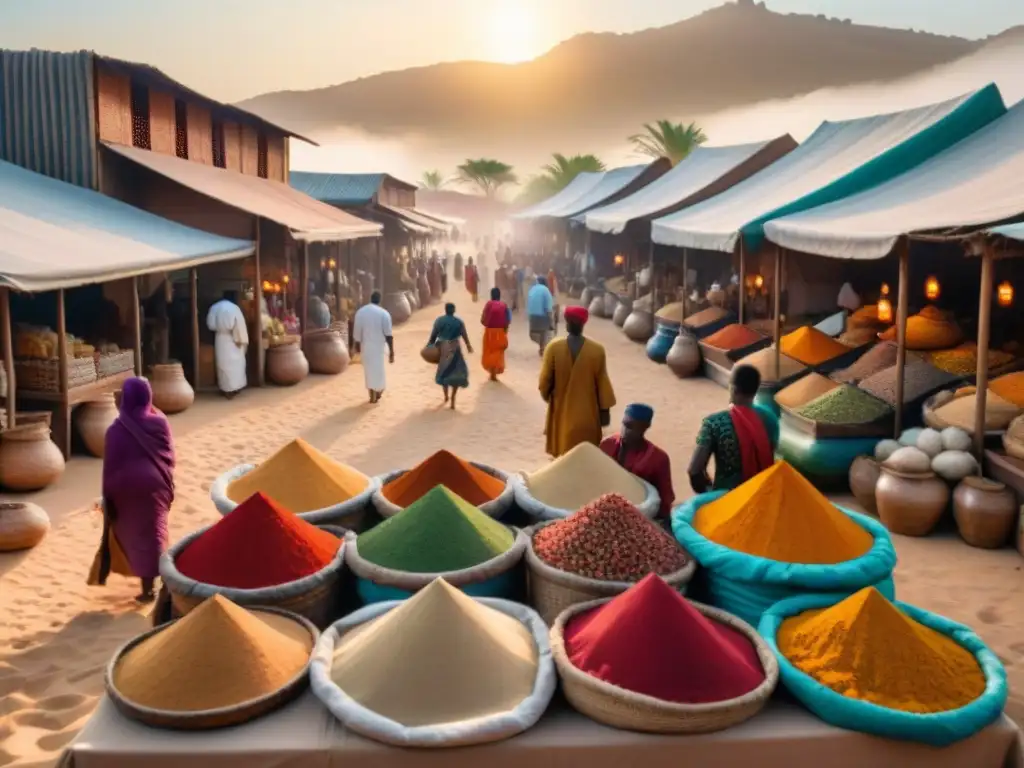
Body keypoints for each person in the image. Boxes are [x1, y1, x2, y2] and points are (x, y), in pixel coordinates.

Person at [88, 377, 175, 603]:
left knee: (135, 534)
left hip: (125, 488)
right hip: (156, 484)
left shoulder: (115, 430)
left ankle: (146, 587)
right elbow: (169, 456)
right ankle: (156, 584)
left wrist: (109, 497)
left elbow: (110, 467)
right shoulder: (160, 423)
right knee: (155, 531)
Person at [688, 363, 779, 493]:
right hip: (762, 494)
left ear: (733, 389)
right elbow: (771, 453)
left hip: (728, 499)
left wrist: (710, 497)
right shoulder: (770, 418)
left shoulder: (713, 423)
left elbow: (694, 471)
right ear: (756, 389)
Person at [539, 306, 616, 457]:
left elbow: (544, 384)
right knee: (585, 459)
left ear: (567, 323)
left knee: (562, 459)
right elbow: (603, 387)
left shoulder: (553, 348)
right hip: (588, 419)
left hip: (561, 418)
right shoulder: (597, 350)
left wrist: (553, 398)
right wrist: (604, 414)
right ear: (583, 324)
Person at [600, 404, 675, 520]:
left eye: (631, 427)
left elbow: (665, 498)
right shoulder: (607, 445)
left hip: (637, 515)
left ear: (646, 426)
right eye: (624, 424)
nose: (625, 431)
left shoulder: (658, 458)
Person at [428, 302, 473, 409]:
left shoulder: (439, 321)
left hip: (443, 349)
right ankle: (453, 397)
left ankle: (446, 396)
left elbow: (433, 336)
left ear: (445, 310)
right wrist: (468, 346)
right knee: (456, 373)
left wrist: (429, 346)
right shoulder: (459, 322)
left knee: (444, 372)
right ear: (454, 310)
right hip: (455, 348)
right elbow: (464, 335)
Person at [352, 291, 394, 404]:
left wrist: (357, 347)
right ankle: (378, 391)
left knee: (369, 372)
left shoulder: (361, 312)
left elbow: (357, 333)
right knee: (379, 371)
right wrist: (391, 352)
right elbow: (389, 335)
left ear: (370, 298)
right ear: (379, 300)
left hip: (366, 347)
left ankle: (372, 395)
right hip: (379, 347)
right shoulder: (384, 313)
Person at [206, 290, 248, 398]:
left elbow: (210, 324)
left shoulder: (214, 307)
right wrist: (241, 340)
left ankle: (225, 388)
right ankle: (235, 388)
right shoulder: (234, 308)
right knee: (236, 364)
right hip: (233, 338)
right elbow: (239, 325)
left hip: (220, 338)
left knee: (222, 365)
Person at [480, 287, 511, 381]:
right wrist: (504, 331)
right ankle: (494, 371)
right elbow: (508, 320)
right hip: (500, 331)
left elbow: (482, 319)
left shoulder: (488, 304)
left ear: (491, 295)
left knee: (489, 351)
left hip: (489, 331)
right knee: (498, 351)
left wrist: (487, 324)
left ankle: (492, 372)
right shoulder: (504, 305)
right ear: (499, 296)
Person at [527, 275, 555, 355]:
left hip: (532, 316)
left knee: (535, 333)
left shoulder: (532, 289)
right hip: (542, 317)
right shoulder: (546, 290)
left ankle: (542, 347)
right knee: (546, 332)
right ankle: (543, 347)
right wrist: (551, 320)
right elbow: (548, 308)